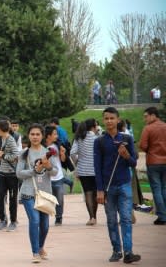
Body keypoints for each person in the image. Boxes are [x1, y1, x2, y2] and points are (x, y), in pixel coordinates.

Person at [94, 107, 141, 263]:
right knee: (111, 220)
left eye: (112, 118)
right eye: (106, 118)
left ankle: (128, 251)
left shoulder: (127, 139)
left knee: (126, 218)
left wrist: (126, 155)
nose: (109, 121)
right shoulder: (99, 141)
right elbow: (97, 166)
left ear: (118, 119)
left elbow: (133, 163)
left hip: (124, 184)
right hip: (108, 187)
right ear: (103, 120)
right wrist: (99, 190)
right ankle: (116, 250)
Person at [16, 123, 58, 263]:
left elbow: (56, 172)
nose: (35, 137)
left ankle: (40, 247)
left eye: (37, 134)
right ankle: (35, 252)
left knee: (45, 225)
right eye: (32, 134)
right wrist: (34, 170)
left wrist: (48, 166)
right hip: (28, 192)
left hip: (45, 193)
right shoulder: (24, 153)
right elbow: (19, 174)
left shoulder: (49, 152)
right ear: (28, 136)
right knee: (34, 221)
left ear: (42, 136)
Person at [139, 107, 166, 225]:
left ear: (153, 115)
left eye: (146, 116)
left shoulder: (148, 129)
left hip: (153, 162)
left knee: (156, 189)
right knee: (164, 188)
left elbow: (143, 146)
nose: (145, 119)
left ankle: (162, 216)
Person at [70, 118, 99, 225]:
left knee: (88, 193)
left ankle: (91, 217)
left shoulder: (79, 138)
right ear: (94, 126)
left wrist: (78, 162)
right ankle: (95, 216)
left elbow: (72, 153)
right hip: (96, 170)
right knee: (96, 193)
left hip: (83, 170)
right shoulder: (97, 138)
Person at [0, 120, 19, 231]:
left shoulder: (11, 140)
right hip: (2, 173)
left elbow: (15, 155)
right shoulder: (3, 139)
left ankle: (13, 221)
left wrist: (3, 156)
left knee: (13, 199)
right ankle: (2, 220)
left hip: (12, 175)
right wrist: (0, 155)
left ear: (0, 129)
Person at [44, 125, 66, 226]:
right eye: (54, 134)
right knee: (47, 199)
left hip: (58, 177)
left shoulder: (56, 147)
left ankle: (59, 218)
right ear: (48, 136)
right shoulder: (43, 148)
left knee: (59, 199)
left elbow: (63, 160)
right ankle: (45, 218)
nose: (56, 136)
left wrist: (62, 153)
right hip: (47, 178)